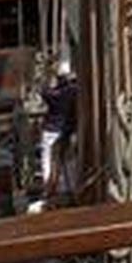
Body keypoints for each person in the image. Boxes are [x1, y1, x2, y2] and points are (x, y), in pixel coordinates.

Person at [41, 58, 78, 197]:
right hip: (70, 130)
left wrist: (47, 73)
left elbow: (44, 91)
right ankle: (68, 189)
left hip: (51, 130)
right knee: (70, 162)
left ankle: (49, 189)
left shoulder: (54, 94)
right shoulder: (76, 91)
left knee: (48, 162)